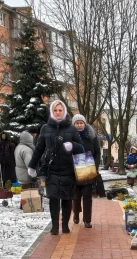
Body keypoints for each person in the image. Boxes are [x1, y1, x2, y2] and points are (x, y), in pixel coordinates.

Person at [29, 100, 85, 235]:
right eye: (55, 110)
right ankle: (55, 226)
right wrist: (32, 165)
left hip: (68, 169)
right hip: (51, 169)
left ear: (64, 111)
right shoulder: (45, 128)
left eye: (60, 110)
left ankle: (65, 225)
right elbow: (39, 148)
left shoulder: (71, 129)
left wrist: (72, 145)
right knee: (53, 199)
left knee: (66, 199)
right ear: (52, 112)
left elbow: (81, 149)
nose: (58, 112)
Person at [72, 114, 101, 228]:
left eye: (81, 123)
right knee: (76, 195)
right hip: (75, 169)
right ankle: (76, 213)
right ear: (74, 125)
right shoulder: (70, 137)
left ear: (85, 123)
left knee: (87, 196)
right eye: (77, 123)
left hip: (89, 168)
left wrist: (96, 165)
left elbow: (97, 153)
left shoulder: (92, 136)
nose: (79, 125)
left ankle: (87, 220)